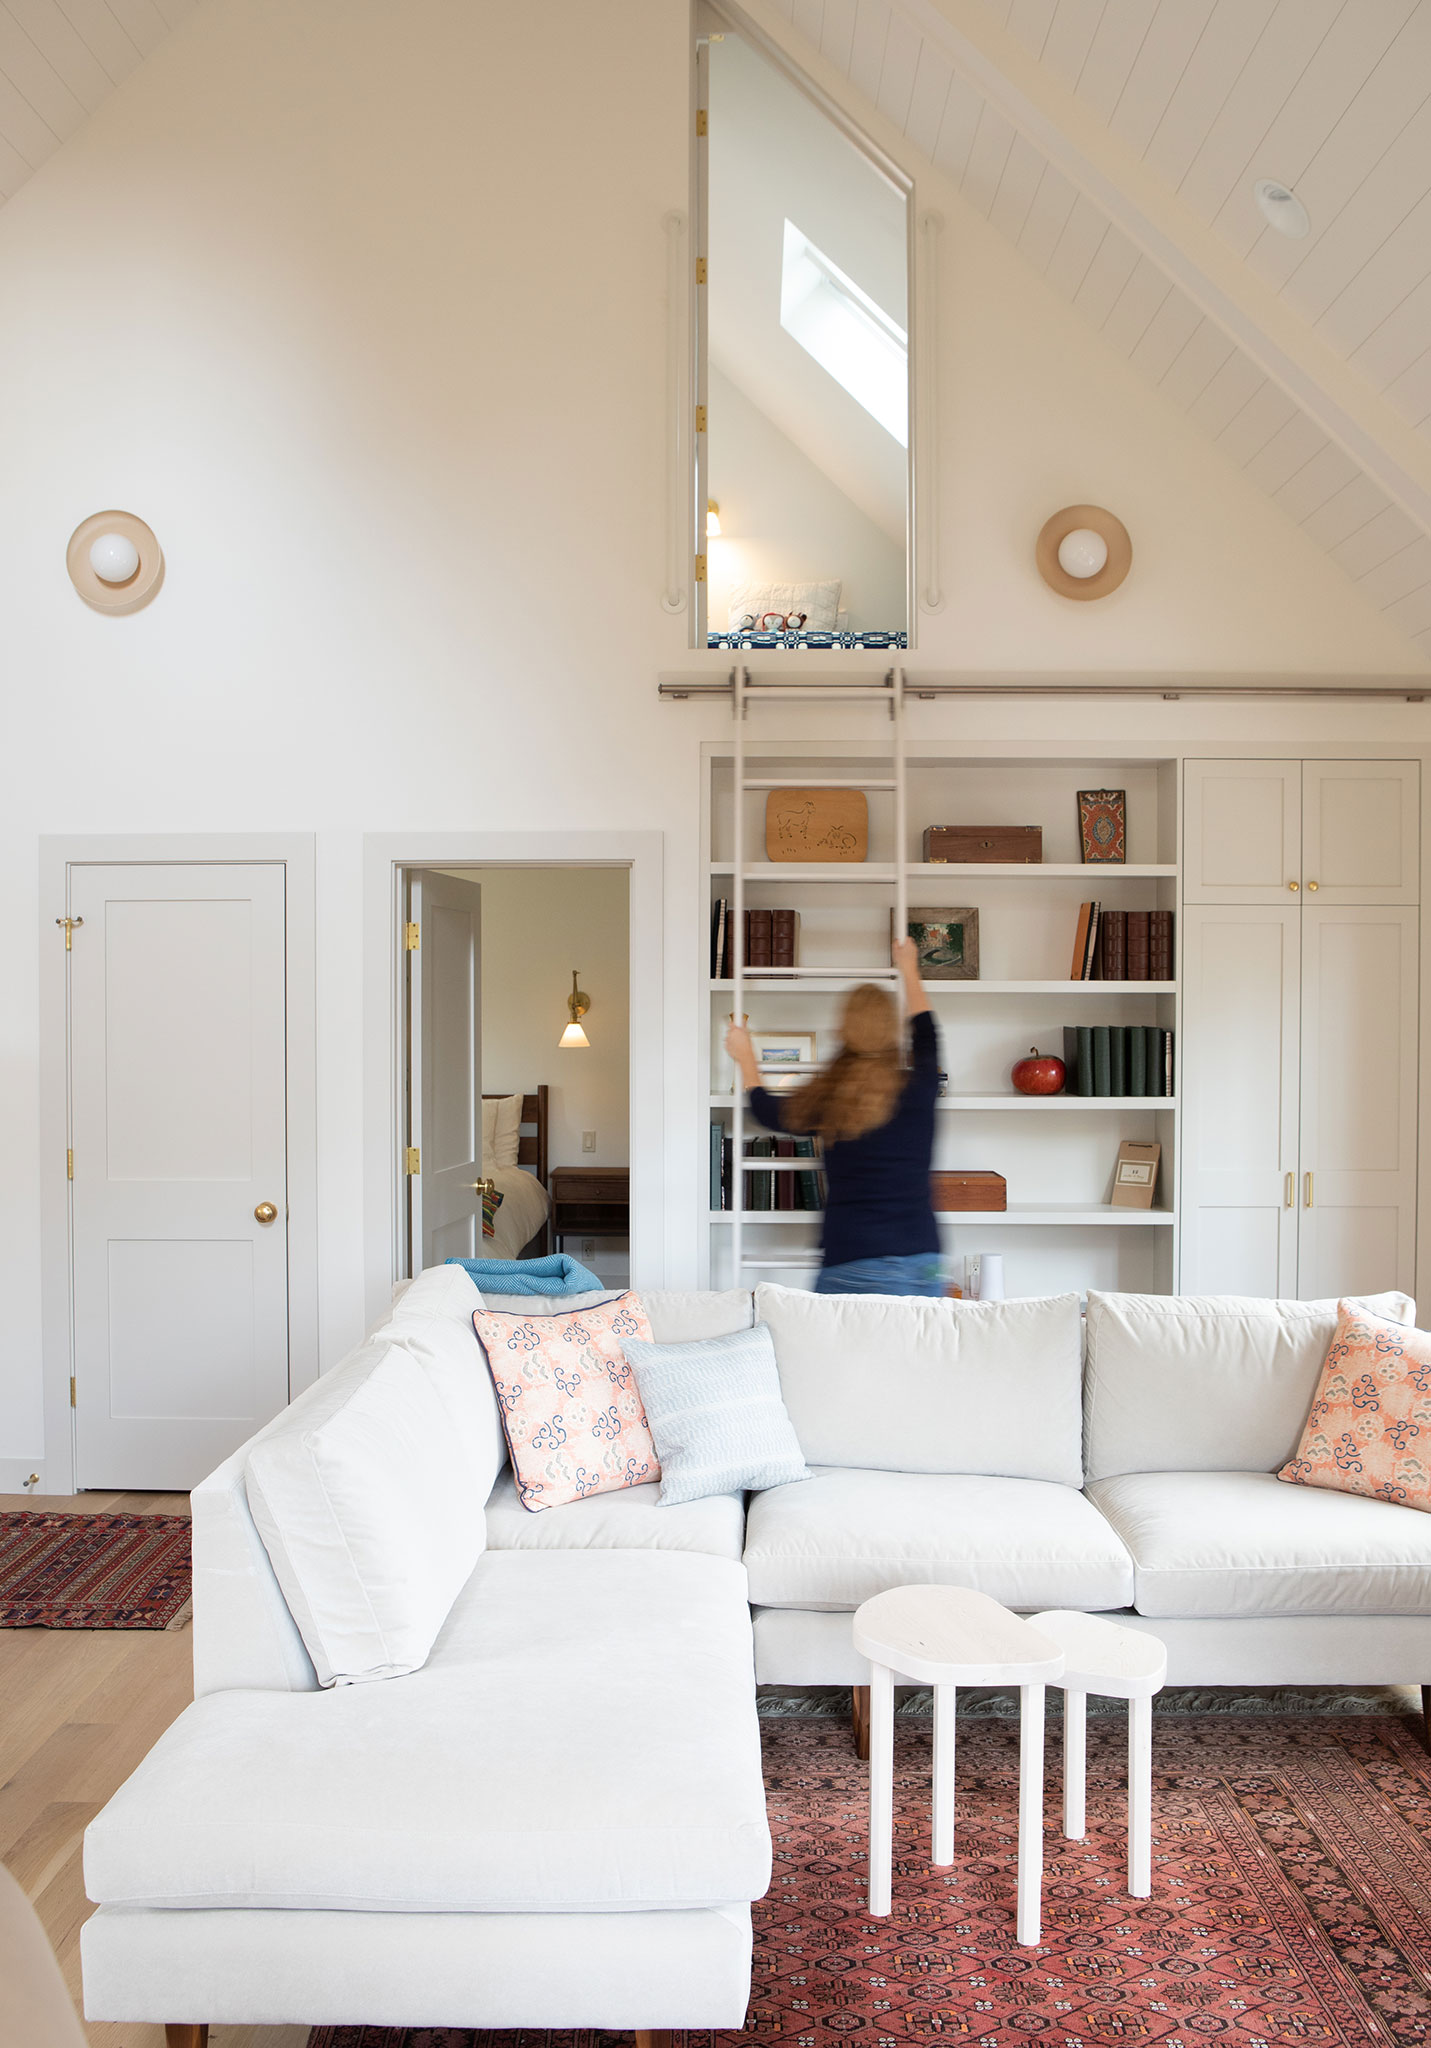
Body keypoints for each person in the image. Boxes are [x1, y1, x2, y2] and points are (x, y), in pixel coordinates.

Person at [725, 937, 942, 1297]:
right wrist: (908, 968)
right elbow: (928, 1034)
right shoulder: (920, 1087)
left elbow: (767, 1111)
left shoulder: (831, 1097)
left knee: (840, 1356)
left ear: (844, 1030)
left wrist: (745, 1057)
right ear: (892, 1030)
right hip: (921, 1259)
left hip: (851, 1259)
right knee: (919, 1356)